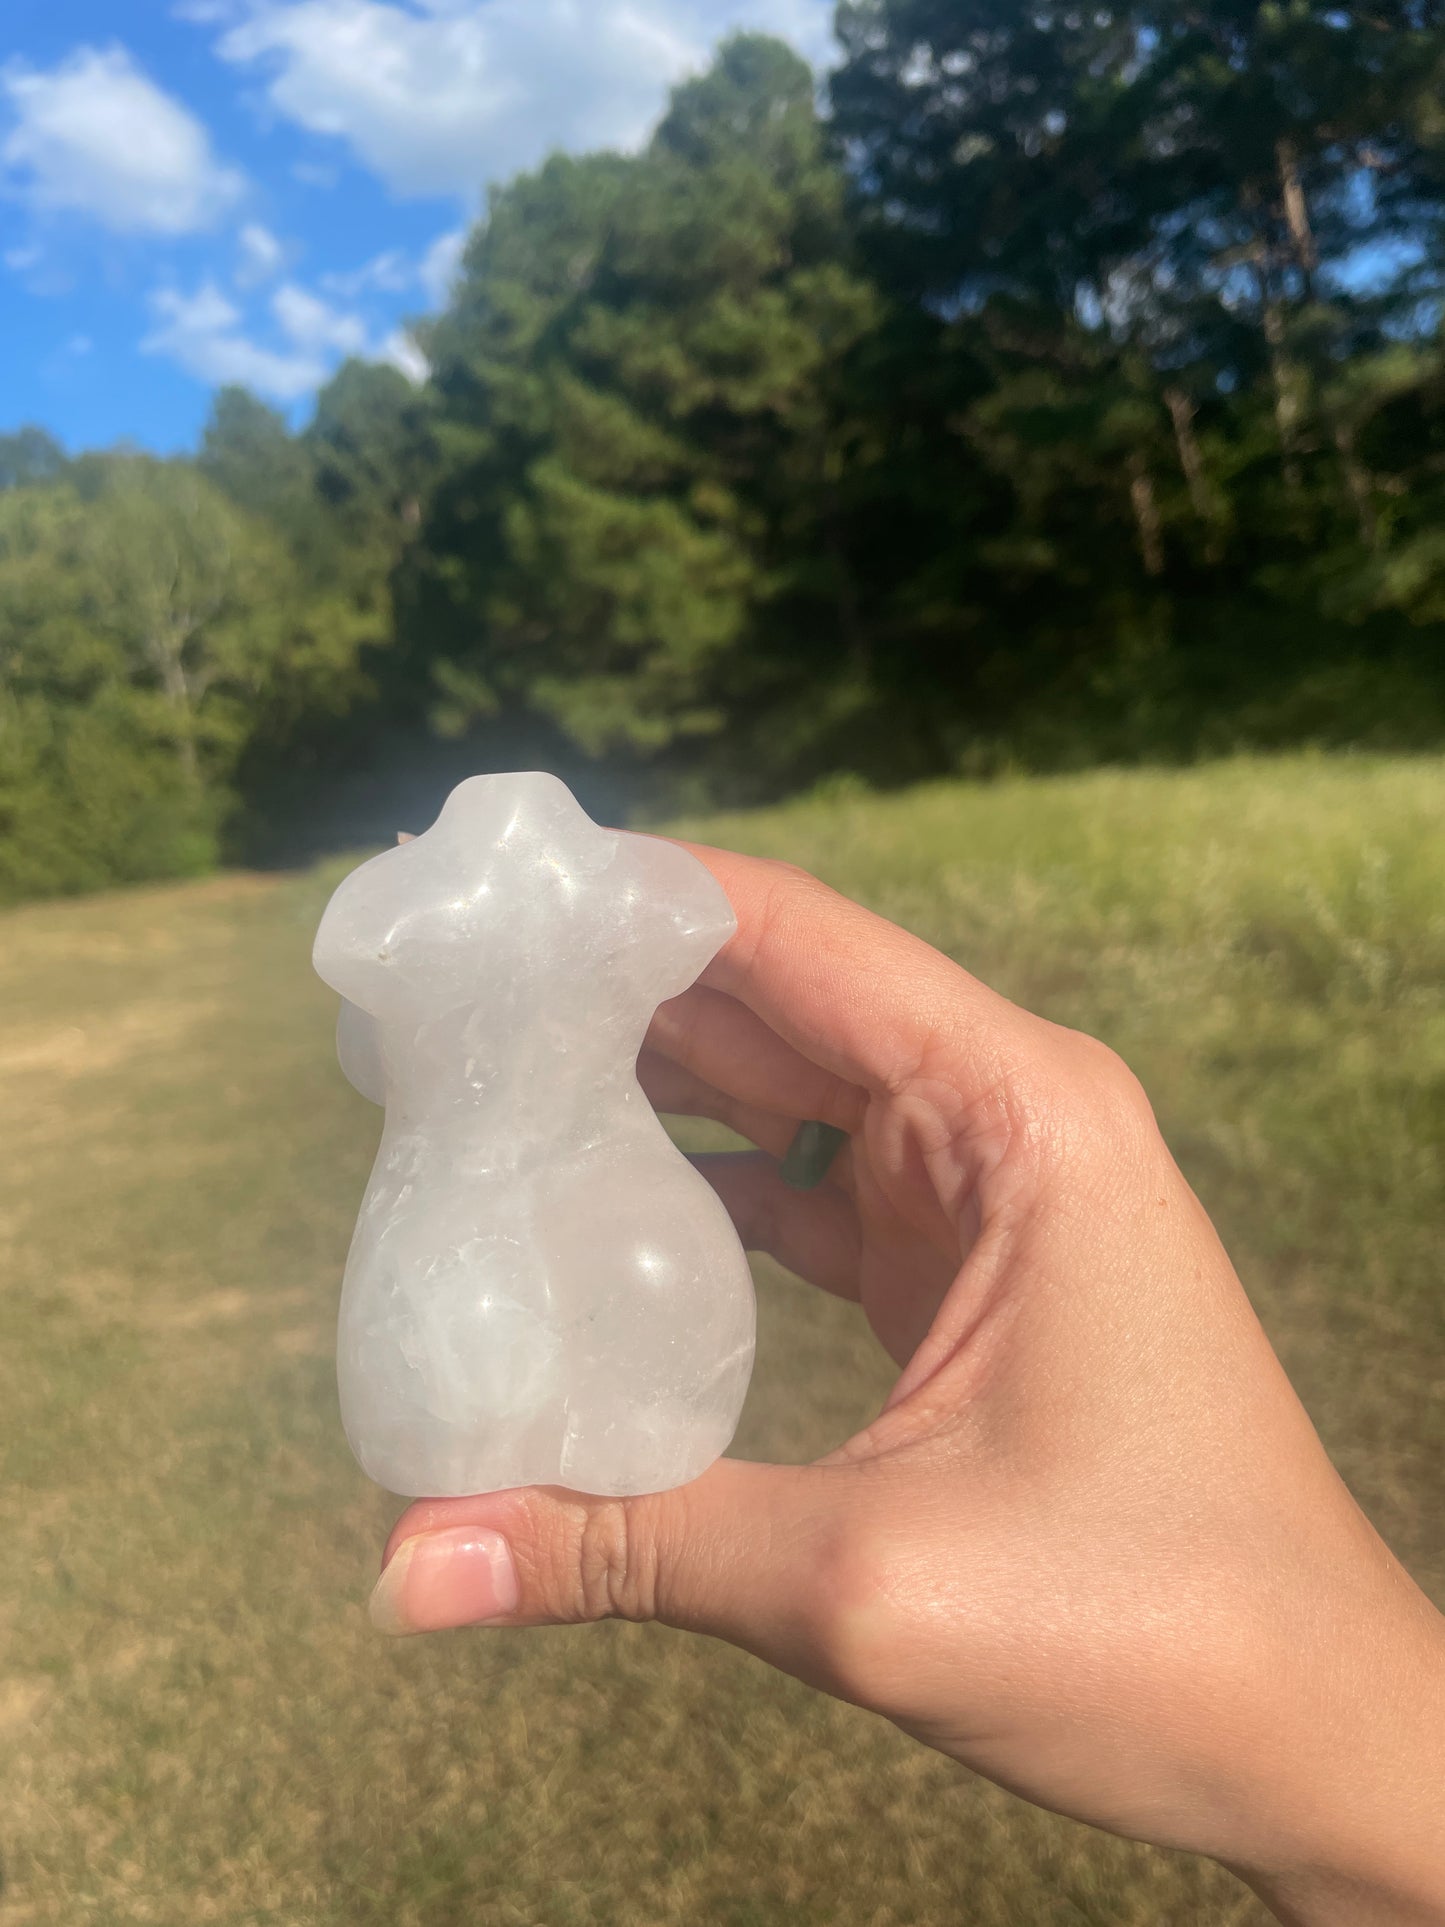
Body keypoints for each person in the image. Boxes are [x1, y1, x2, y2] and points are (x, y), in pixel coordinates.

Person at [366, 844, 1445, 1925]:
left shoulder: (519, 964)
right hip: (512, 1216)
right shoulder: (445, 1005)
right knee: (481, 1301)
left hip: (600, 1247)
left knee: (580, 1283)